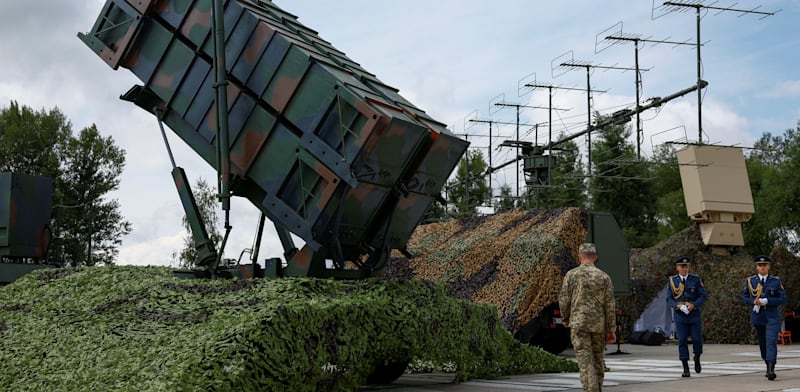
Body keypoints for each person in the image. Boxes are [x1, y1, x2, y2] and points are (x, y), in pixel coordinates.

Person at [559, 243, 616, 392]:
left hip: (579, 324)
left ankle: (590, 389)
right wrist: (611, 329)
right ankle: (597, 388)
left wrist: (565, 318)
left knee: (585, 361)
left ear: (580, 257)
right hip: (598, 325)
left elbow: (564, 300)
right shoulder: (604, 277)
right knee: (598, 360)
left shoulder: (571, 275)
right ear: (595, 257)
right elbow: (610, 305)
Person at [741, 255, 786, 380]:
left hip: (772, 316)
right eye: (760, 265)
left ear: (769, 267)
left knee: (771, 341)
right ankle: (767, 364)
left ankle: (771, 368)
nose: (762, 267)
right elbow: (744, 297)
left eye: (765, 265)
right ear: (756, 267)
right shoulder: (751, 281)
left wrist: (768, 300)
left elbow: (782, 298)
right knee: (762, 343)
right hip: (758, 316)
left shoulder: (775, 281)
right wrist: (752, 301)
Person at [665, 256, 707, 377]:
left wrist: (694, 305)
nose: (684, 268)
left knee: (697, 339)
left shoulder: (695, 279)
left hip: (693, 314)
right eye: (682, 266)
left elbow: (702, 296)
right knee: (682, 340)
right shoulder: (673, 281)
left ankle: (697, 357)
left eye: (686, 266)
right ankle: (685, 366)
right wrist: (677, 306)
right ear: (677, 267)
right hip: (680, 315)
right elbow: (669, 298)